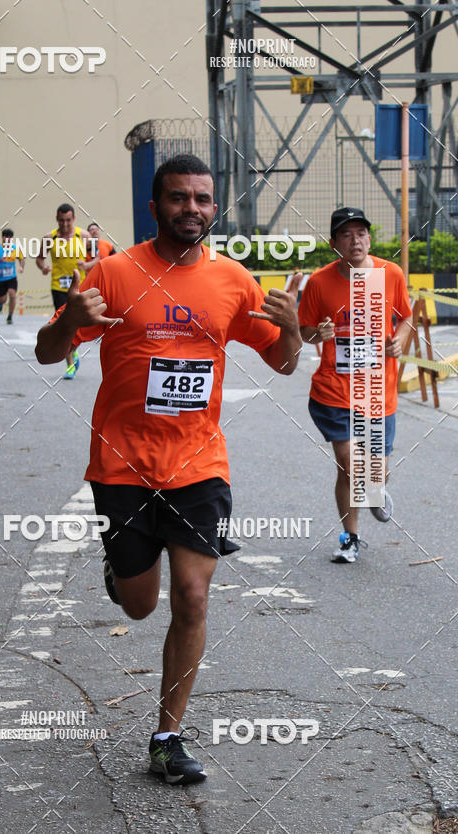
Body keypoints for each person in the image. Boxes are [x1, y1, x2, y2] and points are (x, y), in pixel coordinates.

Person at [35, 154, 302, 784]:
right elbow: (51, 354)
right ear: (154, 207)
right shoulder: (116, 273)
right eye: (179, 198)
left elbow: (285, 364)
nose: (193, 209)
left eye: (203, 199)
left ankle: (167, 736)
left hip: (199, 462)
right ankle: (121, 568)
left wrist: (291, 333)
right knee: (137, 606)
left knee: (192, 595)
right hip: (123, 465)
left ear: (215, 207)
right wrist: (70, 323)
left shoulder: (235, 282)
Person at [298, 206, 413, 563]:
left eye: (361, 233)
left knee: (372, 471)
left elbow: (406, 317)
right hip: (334, 390)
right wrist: (319, 331)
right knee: (348, 462)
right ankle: (350, 537)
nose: (355, 240)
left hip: (378, 391)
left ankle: (375, 489)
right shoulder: (319, 282)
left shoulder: (389, 273)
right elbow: (304, 332)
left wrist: (400, 341)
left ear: (369, 238)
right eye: (346, 235)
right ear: (334, 243)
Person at [36, 204, 91, 379]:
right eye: (61, 220)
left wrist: (87, 265)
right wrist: (43, 267)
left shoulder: (84, 236)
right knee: (64, 324)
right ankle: (70, 365)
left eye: (68, 220)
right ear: (56, 219)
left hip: (80, 286)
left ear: (73, 219)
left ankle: (73, 350)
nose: (65, 224)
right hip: (59, 287)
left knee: (79, 325)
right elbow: (39, 259)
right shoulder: (49, 238)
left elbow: (97, 258)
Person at [0, 227, 24, 324]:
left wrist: (21, 267)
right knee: (3, 299)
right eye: (6, 237)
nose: (8, 239)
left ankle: (10, 316)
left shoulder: (15, 248)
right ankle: (0, 302)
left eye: (10, 237)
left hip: (11, 277)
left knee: (12, 294)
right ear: (3, 237)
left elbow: (21, 259)